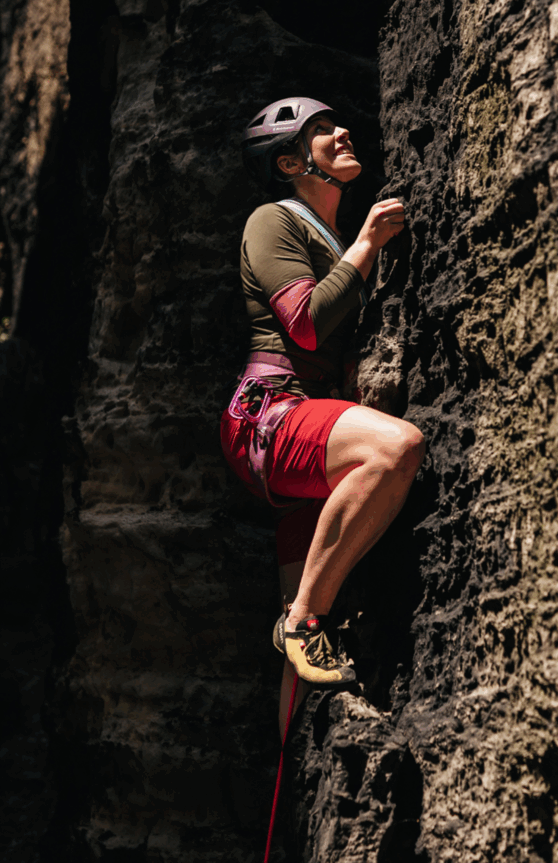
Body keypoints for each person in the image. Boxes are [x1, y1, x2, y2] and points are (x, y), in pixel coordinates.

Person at [220, 97, 425, 734]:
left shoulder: (331, 237)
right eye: (321, 131)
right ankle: (302, 621)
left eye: (339, 124)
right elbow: (305, 324)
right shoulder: (273, 220)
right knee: (395, 449)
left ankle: (296, 748)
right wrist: (366, 244)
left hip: (303, 424)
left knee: (308, 634)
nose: (342, 133)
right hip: (272, 415)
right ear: (289, 162)